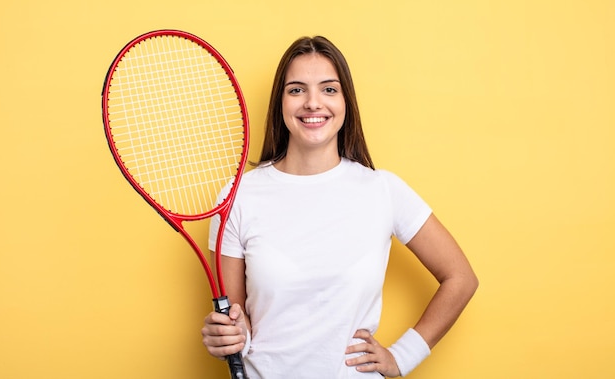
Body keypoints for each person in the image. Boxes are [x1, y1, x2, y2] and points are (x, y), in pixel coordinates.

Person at [201, 35, 478, 378]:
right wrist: (226, 337)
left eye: (329, 89)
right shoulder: (238, 196)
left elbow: (461, 278)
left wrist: (402, 356)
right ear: (280, 102)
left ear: (346, 101)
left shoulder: (383, 190)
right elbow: (238, 321)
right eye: (297, 89)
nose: (313, 103)